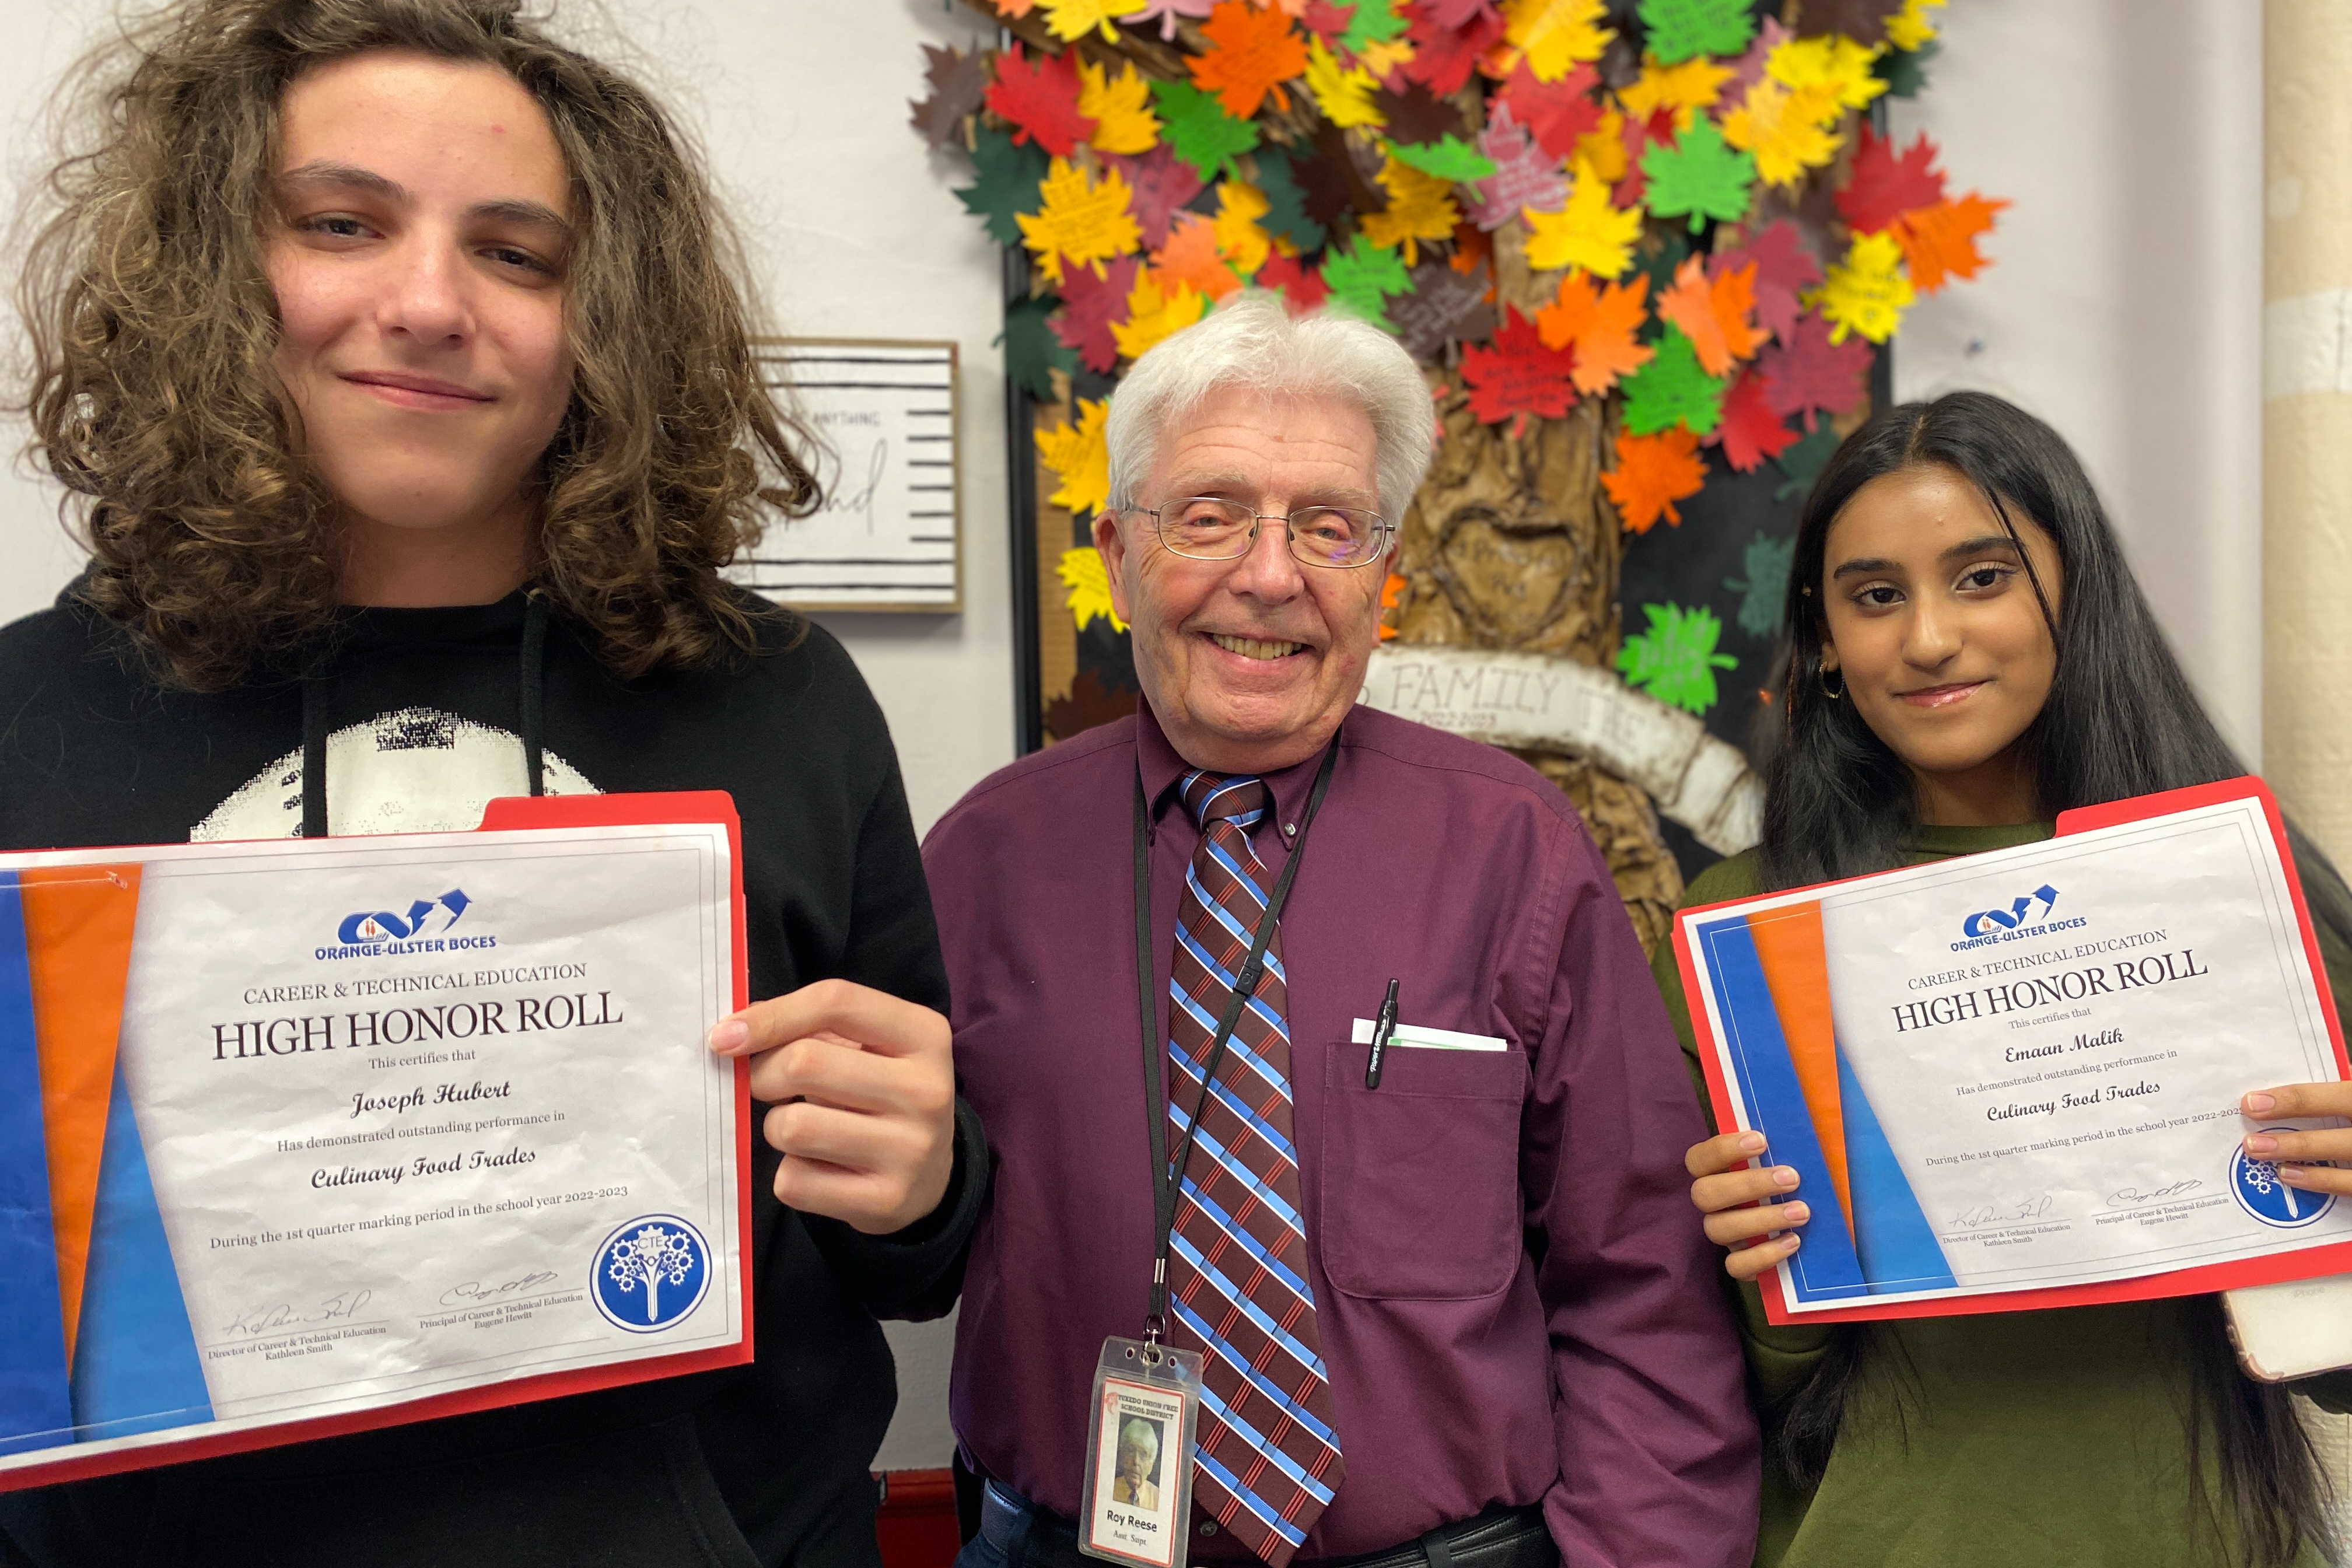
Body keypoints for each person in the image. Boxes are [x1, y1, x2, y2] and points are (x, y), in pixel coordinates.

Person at [0, 2, 980, 1563]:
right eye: (342, 223)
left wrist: (923, 1178)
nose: (431, 302)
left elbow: (915, 1245)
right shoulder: (28, 716)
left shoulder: (777, 701)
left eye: (518, 253)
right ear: (205, 269)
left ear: (608, 315)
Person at [921, 293, 1759, 1568]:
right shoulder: (978, 859)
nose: (1271, 575)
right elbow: (898, 1238)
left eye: (1330, 527)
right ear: (1114, 552)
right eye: (1210, 515)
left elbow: (1643, 1283)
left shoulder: (1516, 850)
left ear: (1384, 577)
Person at [1667, 390, 2352, 1568]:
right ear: (1826, 638)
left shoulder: (2240, 884)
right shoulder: (1742, 931)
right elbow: (1694, 1405)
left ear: (2074, 594)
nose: (1928, 637)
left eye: (1982, 578)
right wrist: (1762, 1273)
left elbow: (2335, 1365)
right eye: (1876, 596)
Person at [1113, 1419, 1163, 1511]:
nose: (1136, 1461)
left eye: (1143, 1455)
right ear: (1122, 1455)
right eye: (1131, 1451)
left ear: (1151, 1466)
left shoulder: (1159, 1499)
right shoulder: (1110, 1489)